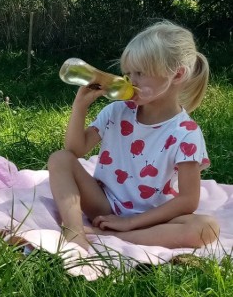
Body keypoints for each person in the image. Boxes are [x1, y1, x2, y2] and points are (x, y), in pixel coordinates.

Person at [48, 21, 220, 251]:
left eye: (140, 73)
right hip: (104, 206)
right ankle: (75, 232)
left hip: (153, 217)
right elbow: (74, 150)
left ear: (177, 75)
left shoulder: (186, 133)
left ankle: (109, 236)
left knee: (206, 227)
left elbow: (188, 201)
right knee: (59, 158)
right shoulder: (117, 111)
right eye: (128, 73)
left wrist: (130, 223)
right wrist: (79, 107)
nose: (131, 81)